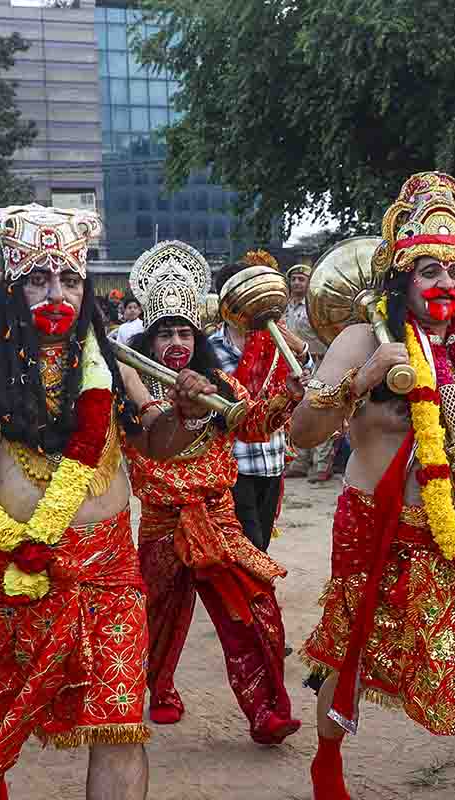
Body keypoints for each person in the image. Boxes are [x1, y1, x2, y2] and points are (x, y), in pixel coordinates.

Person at [0, 203, 228, 800]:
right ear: (12, 289)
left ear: (85, 287)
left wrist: (184, 414)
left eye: (70, 279)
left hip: (103, 571)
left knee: (119, 722)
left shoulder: (109, 361)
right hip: (2, 569)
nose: (57, 292)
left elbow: (154, 440)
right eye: (39, 279)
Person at [292, 172, 455, 800]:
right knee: (347, 655)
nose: (444, 284)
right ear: (399, 279)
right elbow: (303, 433)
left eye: (453, 271)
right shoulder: (365, 339)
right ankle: (327, 768)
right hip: (374, 529)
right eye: (426, 270)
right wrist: (360, 382)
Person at [122, 240, 304, 745]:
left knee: (254, 607)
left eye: (184, 331)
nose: (176, 342)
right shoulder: (131, 391)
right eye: (164, 334)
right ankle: (159, 691)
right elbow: (145, 450)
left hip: (219, 519)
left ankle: (266, 709)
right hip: (161, 522)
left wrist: (289, 393)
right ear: (149, 341)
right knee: (157, 617)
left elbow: (255, 425)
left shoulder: (220, 384)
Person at [211, 253, 294, 553]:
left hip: (271, 457)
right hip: (233, 463)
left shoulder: (276, 343)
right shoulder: (210, 350)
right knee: (248, 542)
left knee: (263, 543)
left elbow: (302, 375)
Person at [278, 261, 335, 482]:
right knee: (295, 409)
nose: (297, 283)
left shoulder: (316, 304)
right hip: (292, 364)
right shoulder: (284, 306)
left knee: (320, 407)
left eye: (302, 279)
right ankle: (299, 461)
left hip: (320, 361)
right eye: (293, 279)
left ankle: (321, 464)